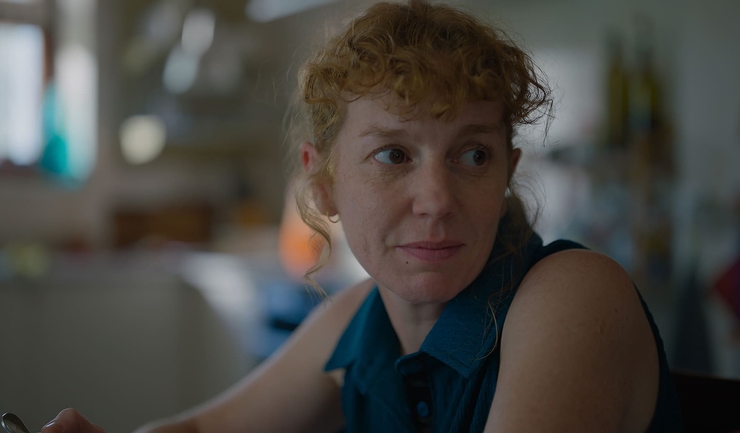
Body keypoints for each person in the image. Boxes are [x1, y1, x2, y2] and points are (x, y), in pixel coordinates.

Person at [41, 1, 684, 432]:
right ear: (323, 184)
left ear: (507, 172)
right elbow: (204, 429)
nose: (437, 199)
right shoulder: (362, 316)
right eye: (393, 154)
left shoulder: (573, 296)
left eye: (473, 155)